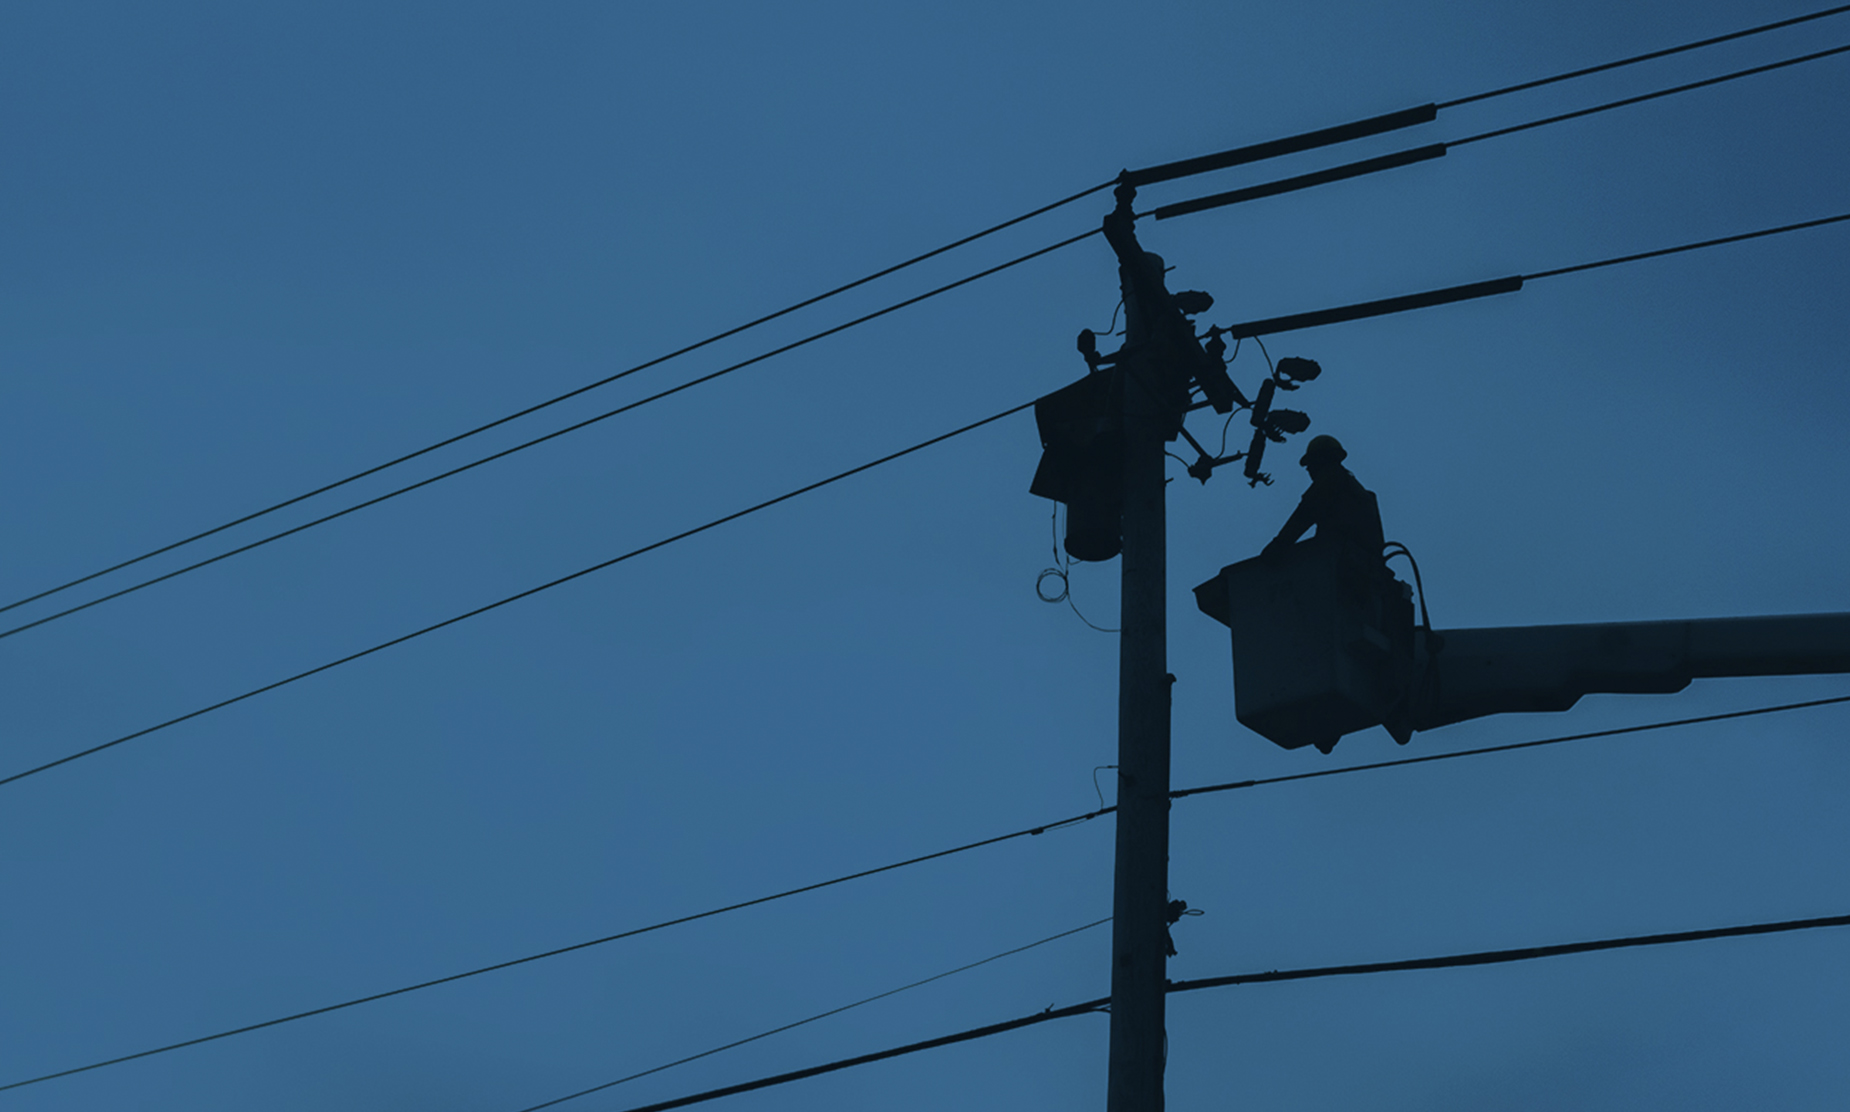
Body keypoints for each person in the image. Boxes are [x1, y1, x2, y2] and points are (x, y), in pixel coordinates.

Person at [1262, 435, 1385, 564]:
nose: (1308, 469)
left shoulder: (1330, 479)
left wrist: (1279, 545)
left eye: (1310, 463)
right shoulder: (1354, 488)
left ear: (1320, 459)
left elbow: (1305, 513)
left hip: (1343, 560)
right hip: (1364, 563)